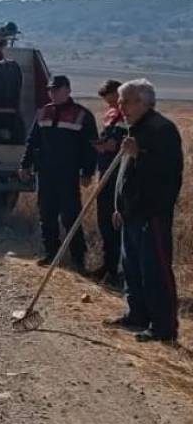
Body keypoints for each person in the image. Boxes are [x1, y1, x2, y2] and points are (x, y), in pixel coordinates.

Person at [104, 79, 184, 343]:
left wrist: (140, 154)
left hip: (153, 214)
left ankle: (163, 328)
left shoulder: (162, 130)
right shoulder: (135, 129)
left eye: (126, 101)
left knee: (155, 271)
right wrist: (119, 207)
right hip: (131, 214)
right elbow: (126, 177)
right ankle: (136, 314)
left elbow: (168, 173)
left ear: (142, 102)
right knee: (133, 269)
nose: (120, 106)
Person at [18, 75, 98, 271]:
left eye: (57, 89)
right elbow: (32, 141)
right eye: (50, 90)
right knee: (47, 215)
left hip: (68, 174)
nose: (52, 93)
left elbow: (91, 147)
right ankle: (51, 255)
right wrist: (25, 164)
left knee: (71, 216)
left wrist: (87, 172)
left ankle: (78, 260)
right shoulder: (43, 113)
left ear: (68, 90)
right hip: (45, 172)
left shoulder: (82, 115)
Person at [90, 79, 125, 285]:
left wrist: (113, 145)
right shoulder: (110, 115)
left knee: (115, 222)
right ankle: (107, 265)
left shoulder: (128, 116)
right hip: (105, 172)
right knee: (104, 220)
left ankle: (116, 269)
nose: (108, 104)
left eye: (110, 99)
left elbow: (125, 144)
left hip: (119, 176)